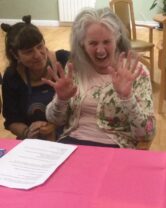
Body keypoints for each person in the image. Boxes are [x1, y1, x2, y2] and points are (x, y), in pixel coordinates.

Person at [43, 8, 155, 148]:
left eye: (107, 42)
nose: (100, 50)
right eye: (93, 43)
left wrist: (127, 97)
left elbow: (147, 133)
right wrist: (61, 99)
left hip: (115, 149)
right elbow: (55, 120)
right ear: (82, 44)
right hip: (71, 145)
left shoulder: (136, 72)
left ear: (118, 38)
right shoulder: (75, 69)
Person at [1, 15, 69, 140]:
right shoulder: (12, 77)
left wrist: (54, 126)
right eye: (28, 52)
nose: (37, 55)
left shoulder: (64, 60)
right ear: (15, 55)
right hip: (34, 142)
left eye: (40, 46)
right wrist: (27, 132)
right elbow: (12, 120)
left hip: (68, 135)